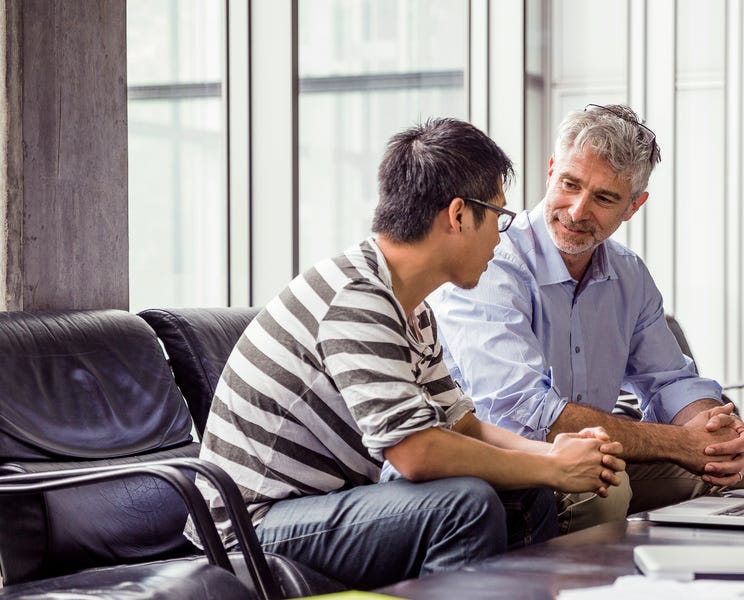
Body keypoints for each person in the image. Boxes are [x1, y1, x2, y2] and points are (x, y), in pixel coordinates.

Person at [184, 117, 625, 590]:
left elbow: (463, 427)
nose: (501, 237)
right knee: (465, 506)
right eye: (499, 216)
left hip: (321, 508)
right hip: (248, 529)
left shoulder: (411, 308)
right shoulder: (356, 299)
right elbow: (415, 452)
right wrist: (553, 465)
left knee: (529, 494)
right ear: (458, 216)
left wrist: (553, 455)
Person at [430, 104, 744, 534]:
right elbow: (523, 411)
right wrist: (682, 442)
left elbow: (671, 380)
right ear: (551, 172)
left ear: (634, 206)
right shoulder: (491, 261)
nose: (578, 211)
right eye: (570, 184)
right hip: (502, 459)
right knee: (604, 486)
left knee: (726, 471)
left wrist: (718, 432)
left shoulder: (628, 273)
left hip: (592, 456)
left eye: (605, 198)